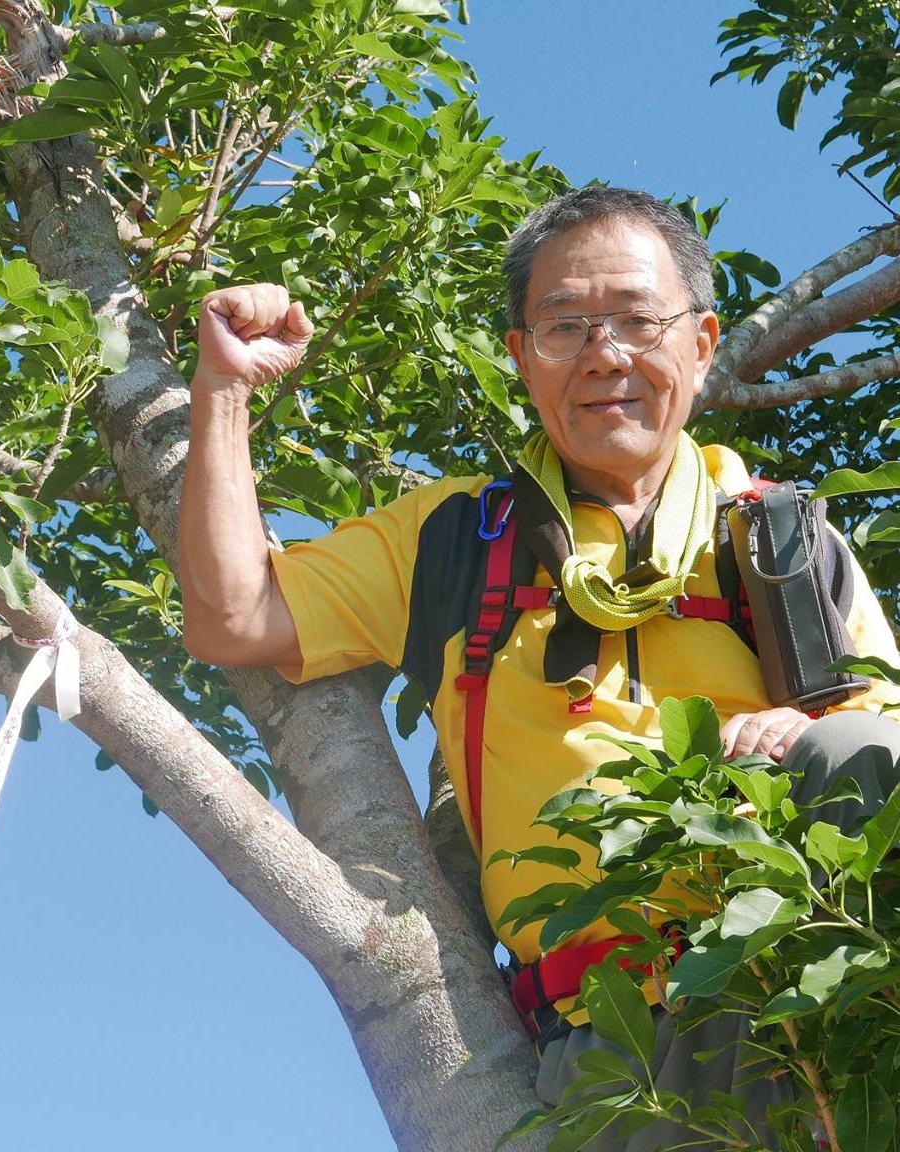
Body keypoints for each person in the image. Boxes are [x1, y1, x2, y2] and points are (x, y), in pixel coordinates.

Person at [178, 186, 900, 1149]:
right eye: (565, 328)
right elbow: (232, 616)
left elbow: (876, 741)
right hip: (621, 1046)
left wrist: (803, 731)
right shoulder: (453, 537)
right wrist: (222, 394)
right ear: (521, 358)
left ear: (700, 341)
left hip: (808, 977)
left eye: (639, 322)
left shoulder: (777, 530)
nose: (605, 355)